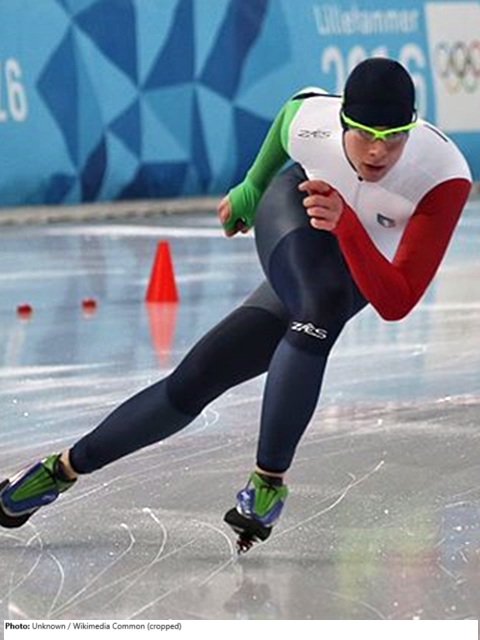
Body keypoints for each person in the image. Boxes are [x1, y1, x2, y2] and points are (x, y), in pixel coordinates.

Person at [0, 58, 472, 552]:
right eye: (366, 134)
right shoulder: (314, 124)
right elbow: (289, 115)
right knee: (313, 311)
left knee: (206, 372)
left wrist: (349, 225)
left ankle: (62, 469)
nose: (378, 150)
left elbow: (396, 301)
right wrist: (251, 187)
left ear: (411, 128)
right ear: (342, 122)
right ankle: (263, 483)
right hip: (300, 208)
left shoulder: (441, 176)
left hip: (357, 257)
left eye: (394, 137)